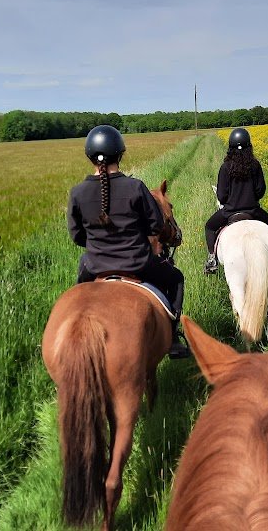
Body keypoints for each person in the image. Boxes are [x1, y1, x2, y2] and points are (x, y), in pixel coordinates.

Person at [68, 124, 190, 359]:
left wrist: (99, 244)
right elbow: (155, 225)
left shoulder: (78, 192)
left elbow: (77, 236)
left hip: (94, 264)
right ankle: (173, 337)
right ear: (120, 155)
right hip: (138, 263)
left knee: (78, 294)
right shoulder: (136, 187)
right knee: (176, 278)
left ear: (90, 157)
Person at [204, 127, 268, 274]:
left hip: (229, 213)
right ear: (249, 146)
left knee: (209, 227)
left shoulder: (225, 167)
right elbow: (260, 191)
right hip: (254, 212)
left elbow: (222, 196)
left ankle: (212, 259)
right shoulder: (255, 165)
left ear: (230, 148)